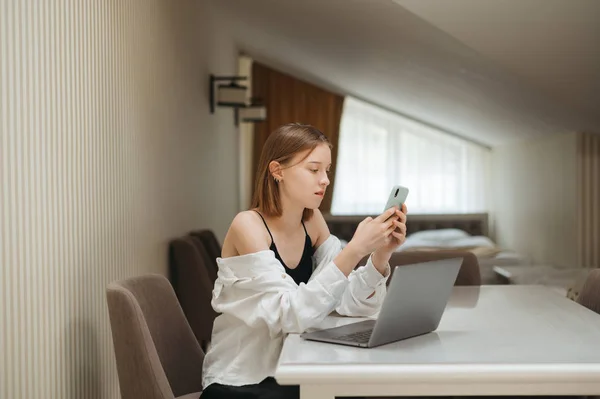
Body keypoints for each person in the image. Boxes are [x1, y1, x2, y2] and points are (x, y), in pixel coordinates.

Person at [200, 123, 408, 399]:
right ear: (277, 171)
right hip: (244, 379)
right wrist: (354, 250)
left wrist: (381, 253)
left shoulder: (312, 221)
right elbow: (289, 314)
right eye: (313, 169)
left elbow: (349, 303)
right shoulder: (248, 225)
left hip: (297, 366)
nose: (325, 180)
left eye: (327, 170)